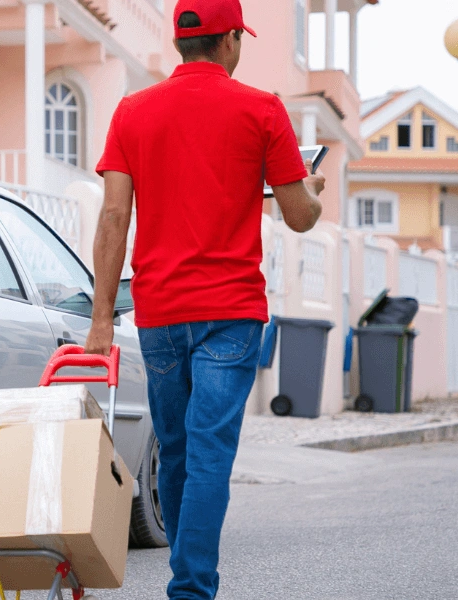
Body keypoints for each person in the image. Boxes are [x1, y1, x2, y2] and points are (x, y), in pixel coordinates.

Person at [82, 0, 326, 597]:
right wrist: (311, 189)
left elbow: (115, 216)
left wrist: (99, 325)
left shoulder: (132, 112)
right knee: (211, 450)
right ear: (231, 42)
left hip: (161, 313)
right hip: (233, 315)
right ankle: (191, 589)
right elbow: (299, 217)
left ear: (181, 42)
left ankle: (188, 583)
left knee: (178, 450)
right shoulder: (262, 109)